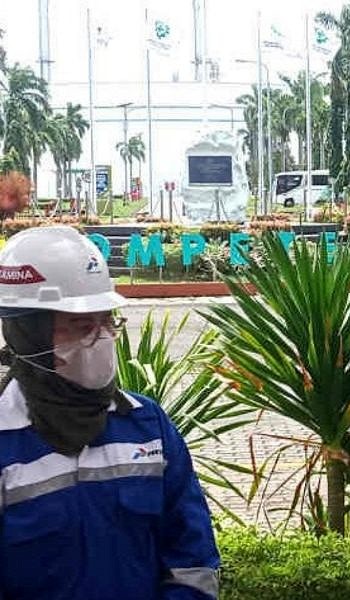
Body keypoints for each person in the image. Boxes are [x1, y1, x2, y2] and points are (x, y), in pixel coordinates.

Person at [0, 226, 219, 599]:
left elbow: (192, 558)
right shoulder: (7, 439)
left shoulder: (147, 425)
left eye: (107, 322)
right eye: (82, 326)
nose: (101, 338)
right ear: (29, 335)